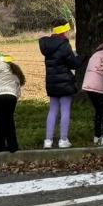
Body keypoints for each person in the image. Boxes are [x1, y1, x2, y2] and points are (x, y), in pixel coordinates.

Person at [38, 20, 79, 148]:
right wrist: (81, 58)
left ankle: (48, 140)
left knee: (52, 110)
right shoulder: (64, 45)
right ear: (64, 31)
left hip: (51, 83)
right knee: (65, 109)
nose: (68, 32)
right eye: (67, 30)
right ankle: (63, 140)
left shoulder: (46, 46)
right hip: (65, 82)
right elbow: (73, 63)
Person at [0, 52, 25, 153]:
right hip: (11, 97)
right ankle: (13, 146)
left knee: (0, 120)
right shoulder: (14, 76)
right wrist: (14, 99)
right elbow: (18, 91)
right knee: (9, 120)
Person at [82, 39, 103, 145]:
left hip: (88, 85)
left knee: (98, 110)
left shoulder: (99, 51)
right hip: (99, 85)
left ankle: (97, 136)